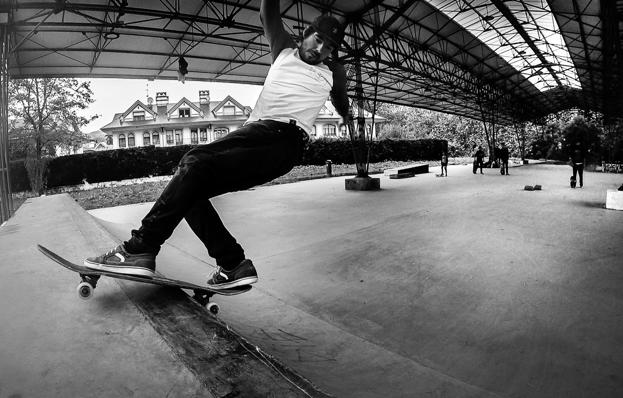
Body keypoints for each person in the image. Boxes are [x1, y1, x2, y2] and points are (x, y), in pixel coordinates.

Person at [83, 0, 350, 289]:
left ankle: (139, 248)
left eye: (328, 48)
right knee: (188, 189)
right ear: (307, 33)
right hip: (267, 142)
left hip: (282, 141)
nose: (320, 50)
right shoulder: (284, 49)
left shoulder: (334, 72)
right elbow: (267, 12)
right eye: (318, 40)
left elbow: (340, 99)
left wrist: (345, 114)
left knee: (193, 161)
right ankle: (232, 264)